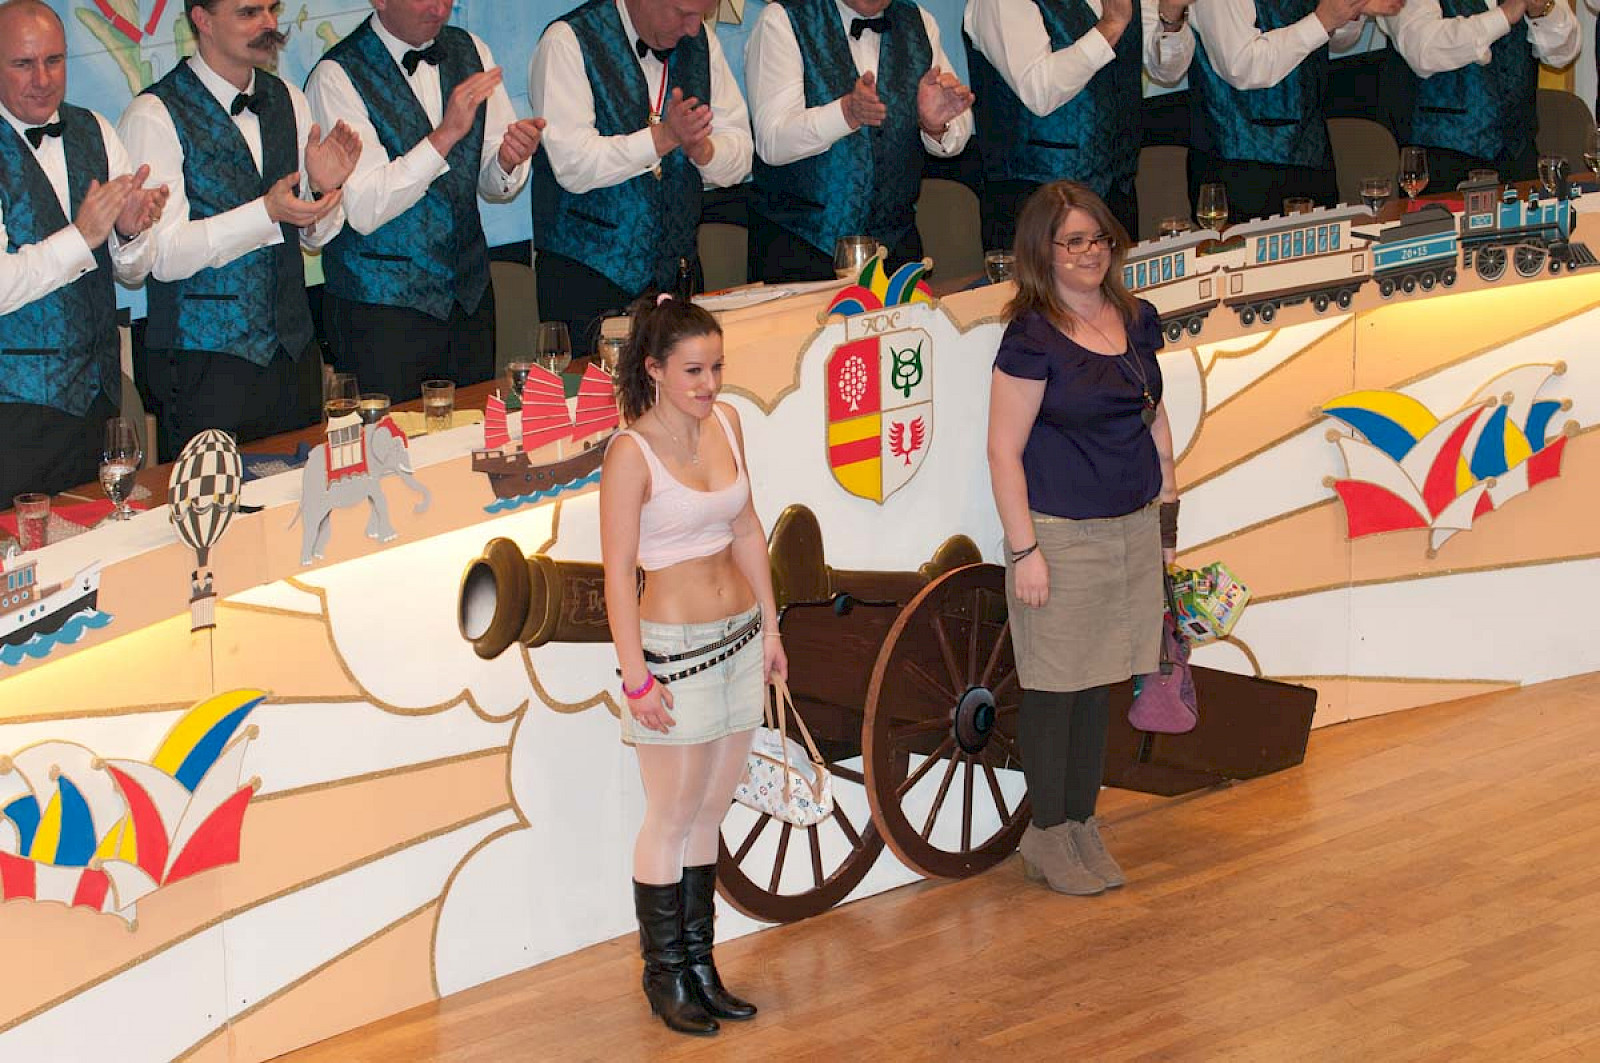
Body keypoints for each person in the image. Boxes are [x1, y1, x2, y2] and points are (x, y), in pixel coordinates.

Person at [985, 180, 1178, 896]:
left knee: (1100, 684)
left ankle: (1081, 823)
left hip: (1132, 527)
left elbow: (1155, 421)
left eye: (1098, 238)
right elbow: (1003, 451)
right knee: (1054, 690)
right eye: (1073, 242)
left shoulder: (1136, 318)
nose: (1090, 252)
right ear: (1043, 252)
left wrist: (1167, 523)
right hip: (1061, 536)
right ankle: (1048, 831)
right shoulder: (1031, 338)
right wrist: (1025, 551)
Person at [599, 293, 784, 1035]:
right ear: (654, 370)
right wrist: (635, 676)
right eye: (694, 371)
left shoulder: (729, 423)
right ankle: (664, 972)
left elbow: (748, 528)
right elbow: (618, 576)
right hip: (672, 653)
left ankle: (701, 966)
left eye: (716, 367)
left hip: (740, 638)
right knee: (671, 814)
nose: (710, 385)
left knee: (711, 808)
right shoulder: (629, 454)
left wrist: (771, 625)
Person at [119, 0, 360, 460]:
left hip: (293, 354)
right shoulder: (153, 114)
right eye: (249, 13)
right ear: (202, 20)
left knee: (303, 493)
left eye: (271, 9)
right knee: (213, 501)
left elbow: (314, 236)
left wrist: (322, 192)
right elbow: (162, 256)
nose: (268, 24)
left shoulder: (289, 98)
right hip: (203, 367)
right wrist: (265, 212)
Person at [307, 0, 545, 403]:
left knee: (474, 430)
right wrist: (444, 136)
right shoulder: (336, 76)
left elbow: (492, 181)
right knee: (392, 440)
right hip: (382, 311)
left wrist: (507, 161)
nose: (440, 8)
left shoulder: (472, 49)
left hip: (468, 298)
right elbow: (365, 209)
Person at [0, 0, 166, 502]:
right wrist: (82, 236)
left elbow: (134, 272)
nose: (42, 79)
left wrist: (130, 234)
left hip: (100, 401)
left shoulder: (97, 130)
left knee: (107, 536)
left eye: (54, 61)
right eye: (23, 64)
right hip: (15, 413)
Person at [528, 0, 753, 352]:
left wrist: (703, 150)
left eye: (703, 15)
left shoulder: (703, 43)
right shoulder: (567, 40)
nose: (694, 28)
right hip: (590, 280)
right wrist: (663, 138)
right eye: (684, 13)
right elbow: (573, 165)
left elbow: (740, 152)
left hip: (679, 274)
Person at [744, 0, 975, 282]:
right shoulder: (782, 20)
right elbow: (772, 142)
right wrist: (845, 114)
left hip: (895, 250)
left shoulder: (920, 22)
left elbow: (957, 132)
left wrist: (934, 126)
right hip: (800, 252)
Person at [964, 0, 1196, 248]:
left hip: (1117, 187)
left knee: (1117, 273)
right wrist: (1110, 26)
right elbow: (1038, 91)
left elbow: (1167, 72)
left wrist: (1171, 18)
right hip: (1036, 200)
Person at [1188, 0, 1401, 224]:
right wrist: (1322, 21)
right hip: (1239, 163)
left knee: (1322, 243)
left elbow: (1340, 41)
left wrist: (1350, 11)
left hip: (1311, 148)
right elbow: (1241, 65)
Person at [1381, 0, 1579, 192]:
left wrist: (1542, 10)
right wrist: (1504, 16)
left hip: (1517, 156)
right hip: (1441, 162)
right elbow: (1423, 50)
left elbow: (1563, 54)